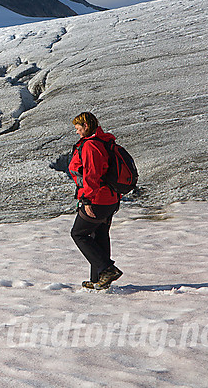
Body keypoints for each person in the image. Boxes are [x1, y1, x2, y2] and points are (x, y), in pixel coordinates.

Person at [69, 112, 123, 290]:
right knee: (99, 234)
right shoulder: (104, 141)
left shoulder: (91, 146)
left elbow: (92, 175)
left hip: (97, 199)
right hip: (110, 199)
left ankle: (107, 269)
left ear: (86, 126)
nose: (77, 132)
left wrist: (86, 201)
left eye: (78, 128)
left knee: (79, 234)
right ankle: (99, 280)